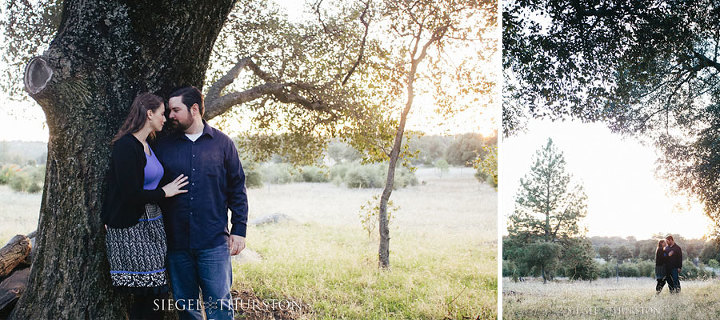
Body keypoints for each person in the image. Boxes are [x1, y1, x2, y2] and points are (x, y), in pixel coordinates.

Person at [155, 86, 248, 320]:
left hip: (213, 242)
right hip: (176, 243)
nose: (170, 116)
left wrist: (239, 230)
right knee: (186, 308)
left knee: (220, 308)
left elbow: (237, 189)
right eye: (169, 111)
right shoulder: (163, 146)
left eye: (176, 110)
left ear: (194, 109)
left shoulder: (223, 144)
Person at [101, 92, 189, 319]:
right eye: (161, 113)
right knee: (149, 296)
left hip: (152, 228)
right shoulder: (126, 146)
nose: (165, 118)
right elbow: (129, 193)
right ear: (149, 114)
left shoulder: (148, 145)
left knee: (155, 295)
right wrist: (164, 192)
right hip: (133, 229)